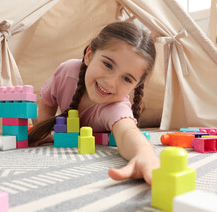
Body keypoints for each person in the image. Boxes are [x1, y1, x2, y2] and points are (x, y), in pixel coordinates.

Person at [28, 21, 159, 184]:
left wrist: (145, 154)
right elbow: (48, 100)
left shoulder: (116, 107)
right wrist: (45, 127)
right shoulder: (67, 72)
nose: (110, 83)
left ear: (136, 85)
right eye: (107, 64)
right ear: (89, 54)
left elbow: (127, 133)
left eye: (126, 78)